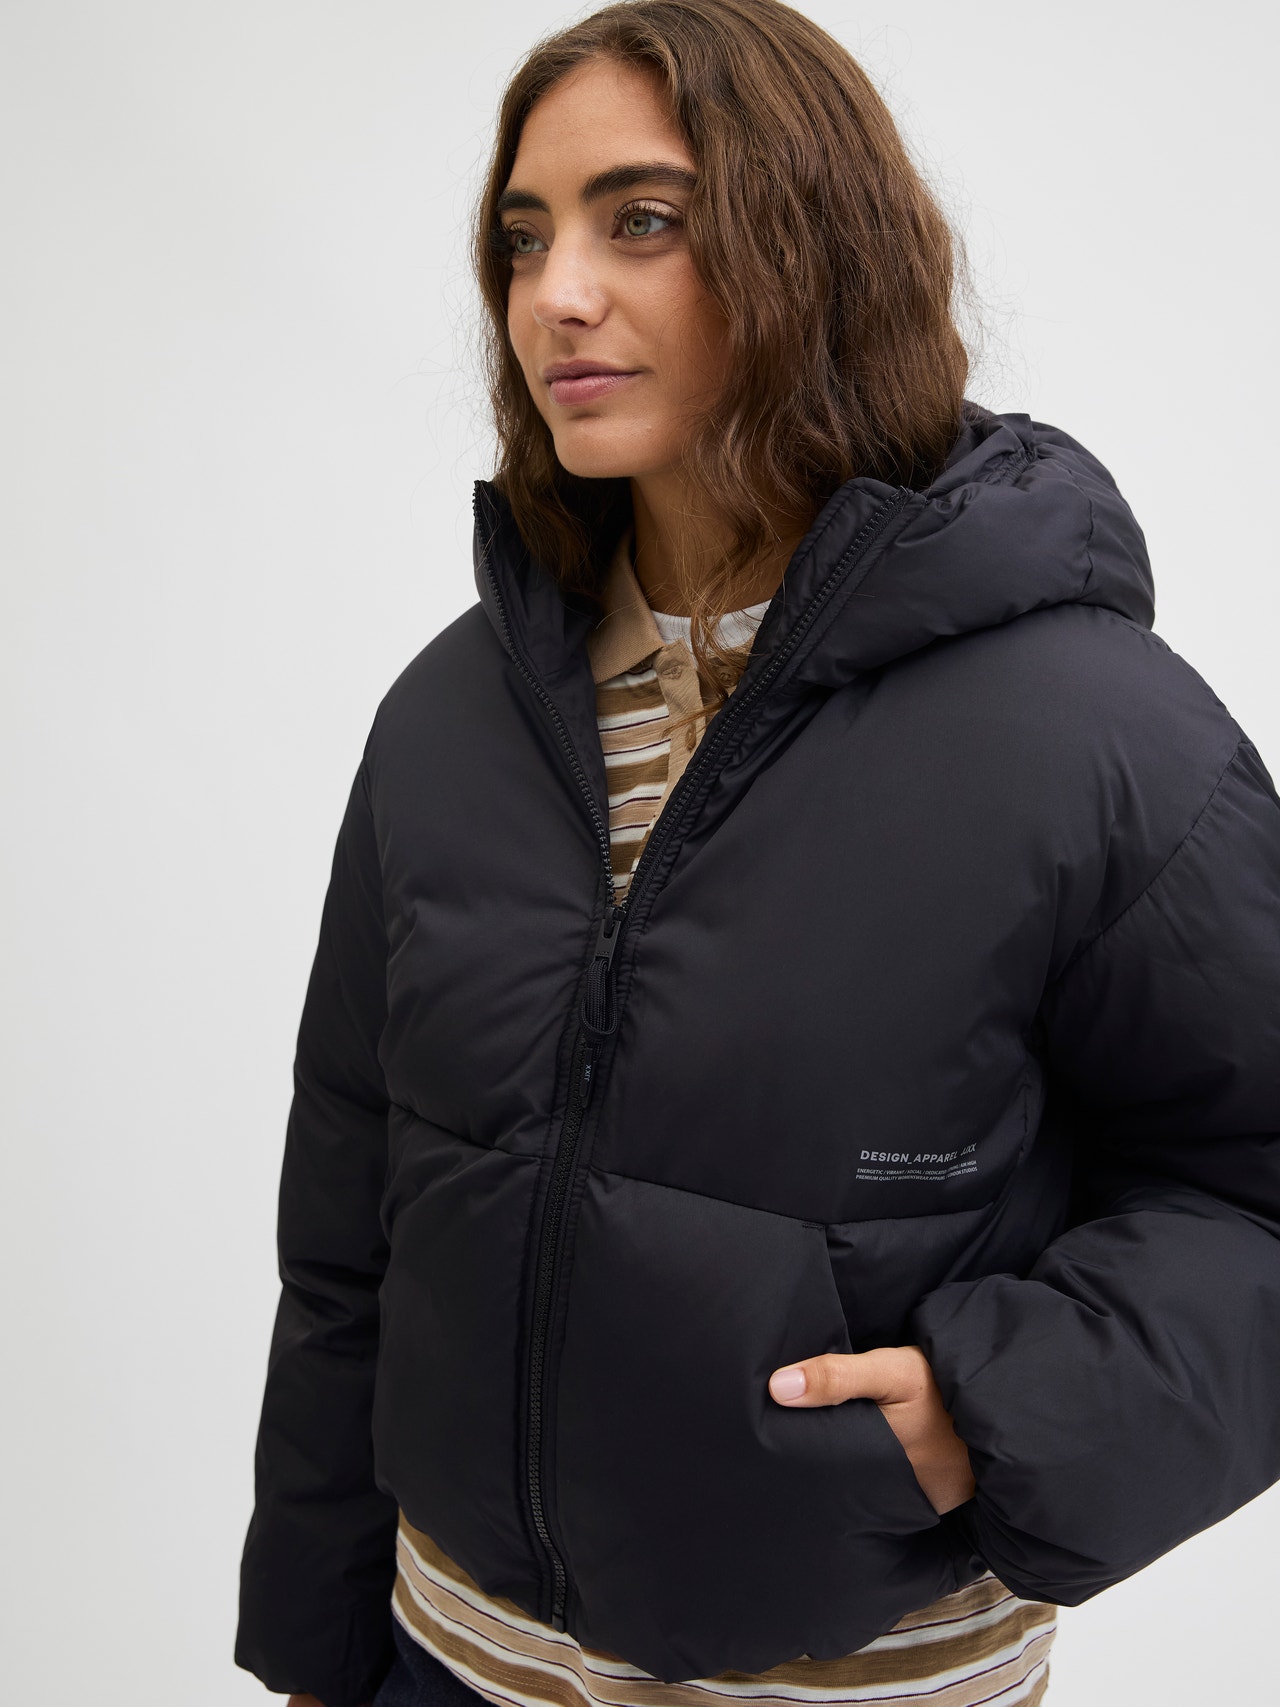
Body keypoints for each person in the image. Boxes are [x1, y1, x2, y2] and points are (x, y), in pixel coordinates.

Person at [233, 2, 1280, 1705]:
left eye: (641, 220)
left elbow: (1254, 1185)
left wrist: (999, 1408)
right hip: (444, 1655)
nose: (557, 295)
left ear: (817, 247)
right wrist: (318, 1645)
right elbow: (351, 1218)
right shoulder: (453, 716)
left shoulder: (1092, 733)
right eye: (525, 237)